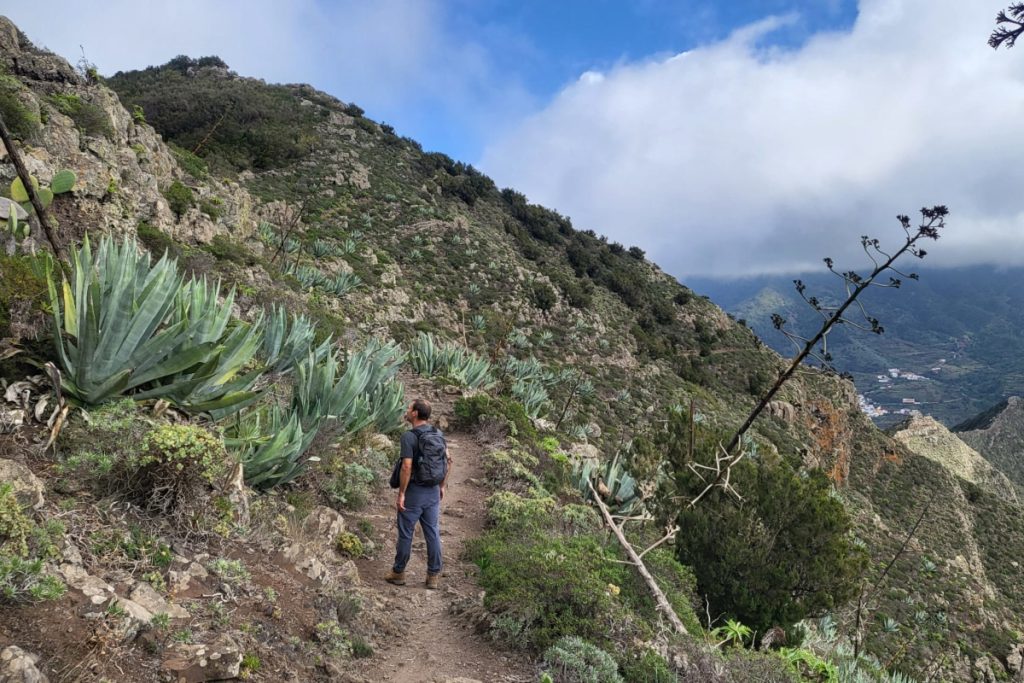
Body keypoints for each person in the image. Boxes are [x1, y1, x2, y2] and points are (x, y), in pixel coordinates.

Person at [385, 398, 451, 589]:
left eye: (408, 408)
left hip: (414, 492)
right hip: (432, 492)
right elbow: (449, 461)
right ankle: (433, 576)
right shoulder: (438, 433)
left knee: (406, 533)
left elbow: (407, 466)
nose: (406, 411)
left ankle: (398, 573)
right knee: (432, 532)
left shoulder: (409, 437)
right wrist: (442, 486)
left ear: (415, 413)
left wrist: (402, 493)